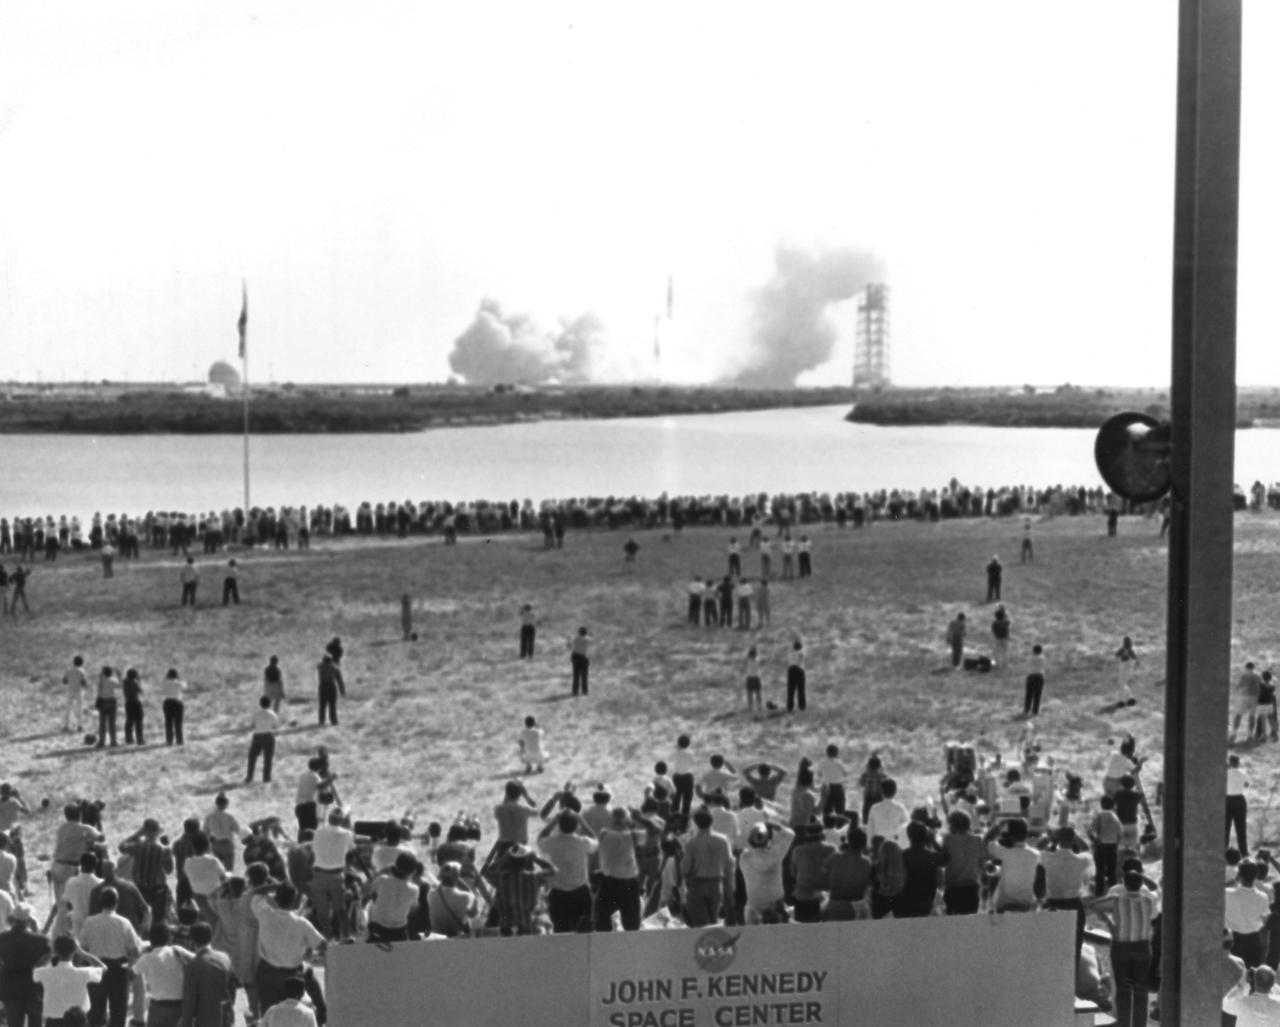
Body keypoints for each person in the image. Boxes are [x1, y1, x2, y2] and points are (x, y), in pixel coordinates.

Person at [1087, 868, 1159, 1027]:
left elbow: (1093, 905)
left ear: (1124, 884)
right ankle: (1140, 1024)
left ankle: (1124, 1023)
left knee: (1123, 990)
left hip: (1122, 947)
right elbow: (1154, 911)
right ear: (1140, 884)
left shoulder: (1116, 900)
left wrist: (1108, 921)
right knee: (1141, 991)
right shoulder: (1148, 900)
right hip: (1143, 948)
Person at [252, 883, 326, 1021]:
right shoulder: (301, 923)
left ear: (276, 899)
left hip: (266, 972)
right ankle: (322, 1010)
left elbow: (255, 893)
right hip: (292, 976)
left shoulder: (264, 914)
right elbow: (323, 945)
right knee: (308, 973)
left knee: (268, 1015)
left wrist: (272, 885)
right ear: (294, 900)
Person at [78, 885, 143, 1027]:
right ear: (117, 902)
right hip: (119, 969)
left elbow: (82, 947)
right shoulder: (124, 923)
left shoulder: (90, 922)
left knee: (95, 1011)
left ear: (100, 902)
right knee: (118, 1012)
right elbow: (135, 950)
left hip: (96, 967)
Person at [537, 810, 597, 934]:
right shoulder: (583, 842)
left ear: (559, 826)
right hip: (581, 892)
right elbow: (595, 839)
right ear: (576, 826)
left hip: (558, 895)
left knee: (561, 933)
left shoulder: (551, 843)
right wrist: (582, 821)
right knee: (584, 933)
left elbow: (540, 838)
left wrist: (554, 820)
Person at [679, 807, 735, 928]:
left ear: (696, 823)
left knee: (700, 926)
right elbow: (729, 865)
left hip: (698, 886)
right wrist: (730, 889)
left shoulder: (692, 843)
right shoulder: (723, 841)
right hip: (716, 885)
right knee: (713, 922)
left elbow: (685, 869)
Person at [33, 934, 104, 1026]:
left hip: (54, 1020)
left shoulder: (47, 973)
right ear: (74, 950)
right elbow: (102, 968)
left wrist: (50, 955)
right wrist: (83, 953)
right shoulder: (83, 973)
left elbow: (36, 969)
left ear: (56, 951)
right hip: (78, 1019)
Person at [0, 902, 51, 1027]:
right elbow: (46, 961)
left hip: (10, 989)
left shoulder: (2, 938)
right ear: (30, 919)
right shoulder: (41, 940)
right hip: (34, 989)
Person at [132, 923, 192, 1027]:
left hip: (158, 1008)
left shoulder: (147, 958)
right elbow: (196, 958)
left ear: (151, 940)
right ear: (169, 938)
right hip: (180, 1007)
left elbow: (132, 974)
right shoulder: (177, 950)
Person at [309, 810, 355, 941]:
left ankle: (327, 938)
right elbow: (351, 848)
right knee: (340, 909)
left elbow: (314, 850)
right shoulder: (347, 834)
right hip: (336, 875)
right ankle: (346, 936)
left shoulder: (318, 832)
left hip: (318, 874)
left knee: (322, 911)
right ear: (342, 821)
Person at [363, 851, 419, 944]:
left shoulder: (382, 880)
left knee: (371, 905)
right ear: (412, 871)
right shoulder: (414, 889)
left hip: (377, 928)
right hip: (399, 932)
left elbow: (367, 892)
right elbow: (413, 909)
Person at [203, 794, 240, 873]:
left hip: (216, 845)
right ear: (226, 804)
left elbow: (205, 832)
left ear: (216, 803)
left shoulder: (209, 817)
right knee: (229, 869)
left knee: (219, 869)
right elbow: (237, 829)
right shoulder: (229, 816)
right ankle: (229, 883)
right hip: (227, 844)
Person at [247, 697, 279, 784]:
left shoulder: (256, 714)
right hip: (268, 735)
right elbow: (275, 726)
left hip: (257, 736)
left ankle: (249, 777)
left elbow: (252, 726)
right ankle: (266, 778)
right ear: (270, 704)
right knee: (268, 758)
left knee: (252, 757)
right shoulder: (273, 714)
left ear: (260, 704)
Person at [1233, 662, 1264, 745]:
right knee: (1252, 716)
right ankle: (1250, 734)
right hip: (1254, 697)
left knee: (1238, 715)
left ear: (1246, 668)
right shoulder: (1258, 676)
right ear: (1253, 667)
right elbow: (1260, 687)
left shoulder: (1244, 675)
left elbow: (1238, 686)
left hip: (1245, 696)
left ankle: (1234, 732)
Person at [316, 653, 345, 726]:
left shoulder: (320, 667)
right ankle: (333, 721)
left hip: (322, 687)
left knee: (322, 705)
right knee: (332, 705)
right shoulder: (335, 668)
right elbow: (339, 680)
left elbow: (318, 664)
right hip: (331, 687)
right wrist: (342, 691)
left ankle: (321, 720)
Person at [95, 666, 121, 748]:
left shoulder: (101, 681)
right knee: (112, 723)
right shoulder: (112, 680)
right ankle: (113, 741)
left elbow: (99, 691)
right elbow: (121, 686)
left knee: (102, 723)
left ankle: (101, 741)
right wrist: (119, 675)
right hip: (112, 702)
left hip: (102, 702)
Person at [160, 669, 187, 747]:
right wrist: (179, 679)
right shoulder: (178, 683)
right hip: (177, 702)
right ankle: (179, 740)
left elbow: (162, 686)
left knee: (168, 722)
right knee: (178, 722)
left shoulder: (164, 683)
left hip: (167, 702)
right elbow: (185, 686)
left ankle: (169, 740)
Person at [63, 655, 89, 734]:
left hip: (70, 691)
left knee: (68, 709)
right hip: (79, 691)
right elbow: (84, 682)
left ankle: (66, 726)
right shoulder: (82, 671)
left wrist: (71, 681)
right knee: (79, 709)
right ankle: (79, 726)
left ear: (74, 662)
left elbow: (64, 681)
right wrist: (86, 686)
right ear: (82, 663)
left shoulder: (68, 670)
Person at [122, 668, 145, 746]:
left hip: (128, 703)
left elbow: (122, 679)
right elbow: (141, 691)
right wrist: (139, 681)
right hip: (136, 702)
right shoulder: (134, 683)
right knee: (138, 721)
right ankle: (140, 739)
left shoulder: (125, 682)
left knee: (129, 721)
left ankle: (128, 738)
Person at [1023, 644, 1046, 717]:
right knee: (1037, 695)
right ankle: (1035, 710)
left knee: (1029, 694)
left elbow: (1027, 665)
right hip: (1039, 676)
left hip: (1031, 676)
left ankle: (1026, 709)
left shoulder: (1030, 658)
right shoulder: (1043, 658)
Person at [786, 639, 806, 712]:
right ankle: (802, 706)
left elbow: (788, 661)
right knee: (801, 689)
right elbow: (801, 662)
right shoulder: (801, 653)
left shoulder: (790, 653)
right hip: (799, 670)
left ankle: (790, 707)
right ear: (800, 647)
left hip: (791, 670)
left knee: (791, 690)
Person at [569, 627, 590, 697]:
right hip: (584, 657)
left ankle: (575, 691)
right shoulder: (587, 639)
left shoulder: (575, 638)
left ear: (579, 632)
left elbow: (569, 645)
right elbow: (592, 640)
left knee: (576, 675)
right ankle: (585, 690)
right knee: (584, 675)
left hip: (575, 657)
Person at [991, 606, 1011, 671]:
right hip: (1005, 638)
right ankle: (1005, 664)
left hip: (997, 638)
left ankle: (996, 664)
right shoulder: (1005, 622)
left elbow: (993, 630)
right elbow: (1008, 621)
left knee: (996, 651)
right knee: (1005, 652)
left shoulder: (995, 623)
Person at [743, 646, 763, 712]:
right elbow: (757, 656)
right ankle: (759, 706)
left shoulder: (748, 661)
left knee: (750, 694)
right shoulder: (757, 660)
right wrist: (754, 650)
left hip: (750, 678)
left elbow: (746, 657)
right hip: (756, 678)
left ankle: (750, 707)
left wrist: (749, 650)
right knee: (758, 693)